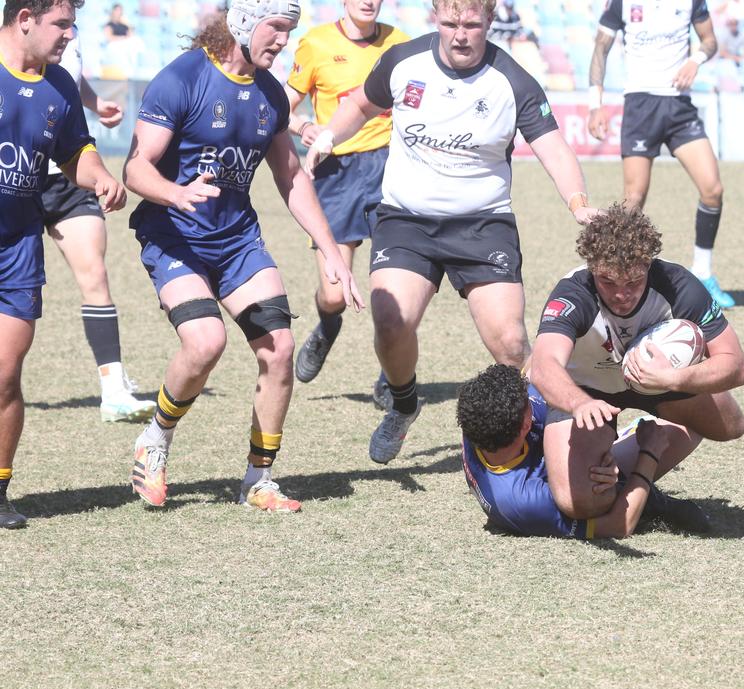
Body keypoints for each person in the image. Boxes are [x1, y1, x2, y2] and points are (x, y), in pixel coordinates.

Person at [305, 0, 598, 465]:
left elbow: (554, 148)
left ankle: (534, 434)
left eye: (472, 25)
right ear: (435, 19)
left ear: (489, 21)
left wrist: (578, 204)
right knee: (390, 320)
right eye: (450, 23)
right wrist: (327, 137)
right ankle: (403, 404)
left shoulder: (513, 80)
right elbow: (360, 102)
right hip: (406, 220)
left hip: (482, 225)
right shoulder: (405, 62)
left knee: (509, 343)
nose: (460, 34)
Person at [123, 1, 363, 511]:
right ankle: (156, 439)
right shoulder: (181, 78)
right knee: (206, 342)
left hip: (236, 240)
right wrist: (176, 193)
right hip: (174, 235)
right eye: (276, 28)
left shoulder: (270, 93)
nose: (282, 41)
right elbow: (136, 170)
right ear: (246, 23)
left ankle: (257, 479)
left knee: (279, 347)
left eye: (289, 31)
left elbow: (291, 177)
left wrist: (331, 250)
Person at [528, 204, 744, 523]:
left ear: (648, 264)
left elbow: (737, 366)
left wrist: (676, 379)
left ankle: (643, 438)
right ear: (592, 268)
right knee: (582, 505)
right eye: (608, 281)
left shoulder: (677, 284)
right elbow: (544, 365)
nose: (621, 294)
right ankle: (626, 463)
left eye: (633, 281)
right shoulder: (574, 293)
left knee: (730, 426)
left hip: (659, 383)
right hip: (590, 394)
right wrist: (579, 404)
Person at [0, 0, 126, 530]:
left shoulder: (60, 87)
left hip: (17, 248)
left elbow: (77, 151)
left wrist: (96, 174)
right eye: (62, 24)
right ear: (24, 17)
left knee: (5, 376)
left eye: (73, 25)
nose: (71, 35)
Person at [284, 0, 408, 408]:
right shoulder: (315, 43)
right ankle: (326, 325)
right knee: (334, 294)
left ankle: (394, 375)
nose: (369, 2)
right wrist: (304, 125)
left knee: (397, 293)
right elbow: (283, 106)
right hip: (335, 174)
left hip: (390, 168)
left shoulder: (401, 44)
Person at [587, 0, 736, 309]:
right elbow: (601, 49)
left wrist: (695, 60)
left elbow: (710, 40)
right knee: (633, 199)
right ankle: (619, 279)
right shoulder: (622, 3)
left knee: (713, 190)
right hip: (641, 106)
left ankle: (704, 273)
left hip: (679, 107)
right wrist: (594, 105)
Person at [42, 23, 155, 423]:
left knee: (96, 276)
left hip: (70, 180)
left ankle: (113, 392)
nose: (69, 28)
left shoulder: (67, 37)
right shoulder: (21, 36)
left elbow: (69, 80)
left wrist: (93, 103)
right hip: (14, 179)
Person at [458, 364, 707, 538]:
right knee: (693, 427)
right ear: (526, 424)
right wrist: (649, 455)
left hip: (559, 459)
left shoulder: (479, 419)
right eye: (529, 404)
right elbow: (617, 526)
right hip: (586, 482)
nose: (533, 395)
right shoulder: (524, 501)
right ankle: (651, 499)